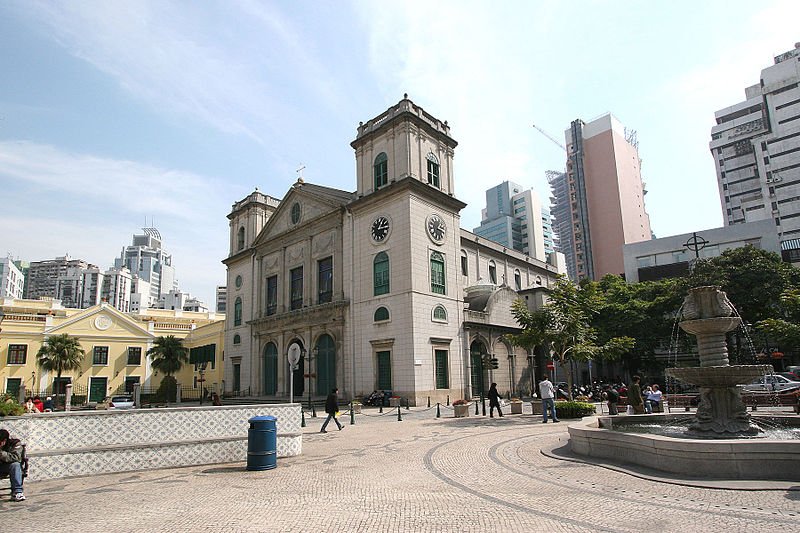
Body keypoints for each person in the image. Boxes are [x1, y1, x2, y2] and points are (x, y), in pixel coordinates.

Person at [0, 428, 26, 501]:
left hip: (7, 466)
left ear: (4, 441)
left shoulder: (15, 443)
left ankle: (17, 492)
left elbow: (16, 457)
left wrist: (1, 453)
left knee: (15, 465)